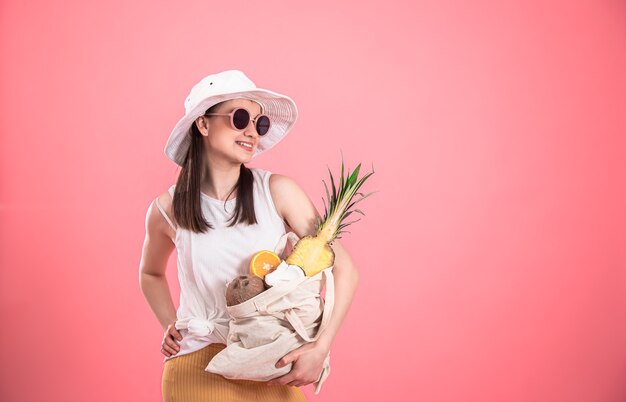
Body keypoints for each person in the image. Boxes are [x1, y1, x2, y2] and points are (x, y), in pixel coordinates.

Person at [138, 69, 359, 401]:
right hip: (199, 367)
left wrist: (320, 346)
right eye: (240, 118)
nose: (252, 132)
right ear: (203, 124)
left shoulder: (278, 192)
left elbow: (345, 269)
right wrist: (170, 322)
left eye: (260, 123)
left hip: (271, 365)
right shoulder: (167, 209)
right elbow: (150, 273)